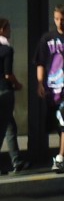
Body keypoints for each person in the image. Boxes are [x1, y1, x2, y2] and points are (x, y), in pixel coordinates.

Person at [35, 5, 64, 173]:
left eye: (62, 19)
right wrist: (40, 82)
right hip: (53, 87)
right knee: (58, 123)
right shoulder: (47, 39)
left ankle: (61, 156)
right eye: (56, 19)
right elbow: (40, 61)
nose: (59, 23)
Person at [0, 18, 28, 174]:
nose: (10, 31)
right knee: (5, 127)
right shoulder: (7, 50)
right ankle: (16, 161)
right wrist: (18, 85)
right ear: (2, 30)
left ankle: (17, 161)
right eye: (8, 28)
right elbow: (8, 74)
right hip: (4, 93)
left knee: (10, 126)